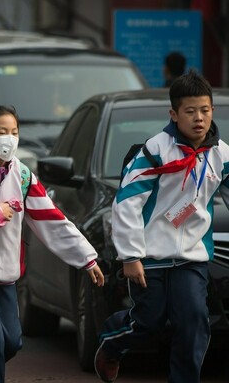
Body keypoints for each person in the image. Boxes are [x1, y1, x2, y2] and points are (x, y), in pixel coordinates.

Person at [0, 105, 105, 383]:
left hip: (5, 277)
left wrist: (86, 258)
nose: (10, 138)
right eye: (2, 132)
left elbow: (51, 220)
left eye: (14, 132)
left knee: (11, 343)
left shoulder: (23, 175)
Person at [94, 70, 229, 382]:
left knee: (194, 321)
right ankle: (112, 345)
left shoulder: (220, 153)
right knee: (148, 322)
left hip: (192, 257)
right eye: (190, 111)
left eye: (205, 110)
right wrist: (130, 256)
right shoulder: (154, 151)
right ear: (174, 114)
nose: (199, 118)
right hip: (150, 256)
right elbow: (126, 203)